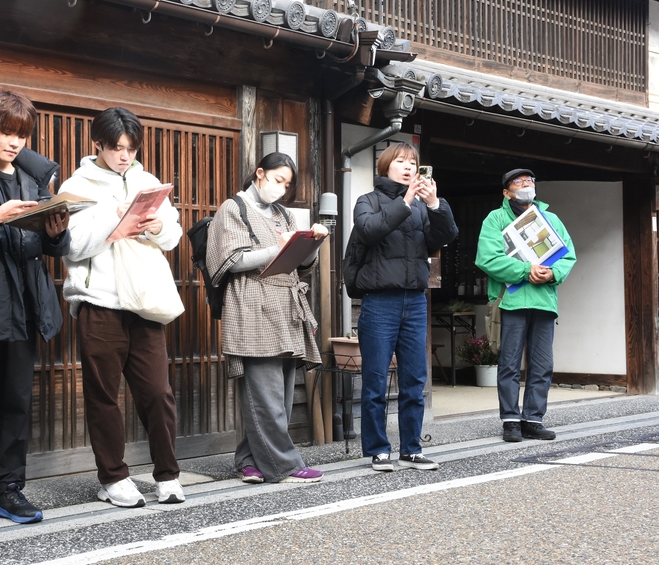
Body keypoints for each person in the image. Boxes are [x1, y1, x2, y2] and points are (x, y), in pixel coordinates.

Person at [57, 106, 185, 508]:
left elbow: (174, 236)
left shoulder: (147, 181)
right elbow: (72, 246)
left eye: (131, 148)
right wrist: (115, 226)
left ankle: (168, 475)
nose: (125, 155)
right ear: (98, 144)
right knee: (103, 396)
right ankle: (113, 478)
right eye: (117, 148)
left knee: (158, 393)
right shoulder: (76, 184)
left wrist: (158, 227)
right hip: (99, 304)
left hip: (144, 302)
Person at [0, 89, 70, 527]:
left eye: (20, 134)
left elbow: (53, 247)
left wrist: (56, 232)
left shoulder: (35, 178)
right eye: (4, 131)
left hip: (24, 304)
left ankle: (8, 488)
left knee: (16, 402)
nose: (13, 142)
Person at [205, 152, 328, 484]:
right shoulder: (233, 208)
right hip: (250, 303)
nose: (281, 189)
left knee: (282, 393)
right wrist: (277, 250)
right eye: (277, 180)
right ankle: (284, 465)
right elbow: (227, 261)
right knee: (265, 392)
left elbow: (300, 262)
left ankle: (248, 460)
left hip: (284, 304)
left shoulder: (283, 213)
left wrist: (312, 244)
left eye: (287, 184)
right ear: (259, 173)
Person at [352, 142, 458, 472]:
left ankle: (411, 449)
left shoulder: (424, 206)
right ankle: (378, 450)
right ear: (385, 167)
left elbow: (445, 237)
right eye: (401, 161)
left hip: (414, 300)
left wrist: (435, 204)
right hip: (379, 302)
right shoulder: (367, 201)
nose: (409, 167)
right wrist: (407, 200)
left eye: (413, 162)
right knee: (375, 379)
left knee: (414, 380)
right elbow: (369, 231)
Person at [475, 168, 576, 443]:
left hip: (544, 300)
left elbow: (567, 255)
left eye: (530, 181)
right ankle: (510, 420)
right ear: (506, 192)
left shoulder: (550, 219)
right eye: (518, 182)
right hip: (511, 301)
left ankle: (533, 418)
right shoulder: (495, 219)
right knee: (508, 363)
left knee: (542, 363)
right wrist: (526, 270)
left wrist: (552, 273)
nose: (526, 185)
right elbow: (488, 258)